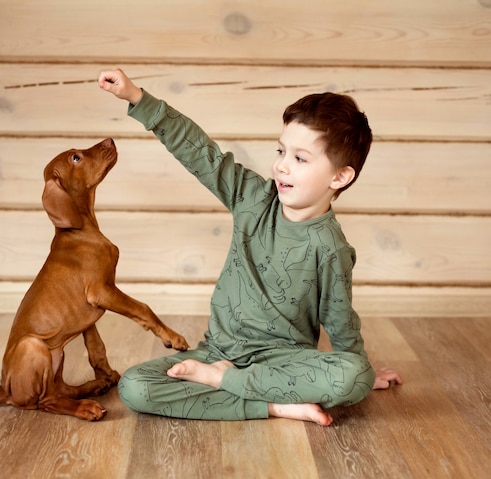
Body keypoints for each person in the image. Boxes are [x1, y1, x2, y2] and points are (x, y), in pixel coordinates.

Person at [98, 68, 402, 426]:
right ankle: (274, 405)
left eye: (300, 159)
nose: (281, 166)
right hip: (218, 352)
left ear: (339, 176)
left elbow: (340, 320)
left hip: (283, 362)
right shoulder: (253, 198)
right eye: (281, 150)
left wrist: (360, 371)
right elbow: (201, 154)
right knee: (135, 386)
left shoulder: (330, 247)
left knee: (355, 376)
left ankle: (227, 384)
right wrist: (137, 98)